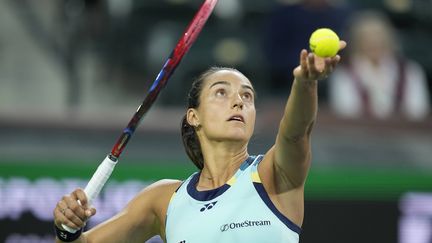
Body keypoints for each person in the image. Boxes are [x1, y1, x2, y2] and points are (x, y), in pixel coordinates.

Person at [53, 41, 346, 242]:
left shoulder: (272, 176)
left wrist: (305, 82)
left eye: (247, 96)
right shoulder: (163, 200)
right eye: (222, 92)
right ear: (194, 116)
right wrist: (67, 229)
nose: (238, 102)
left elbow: (296, 132)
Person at [328, 10, 430, 120]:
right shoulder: (344, 74)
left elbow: (418, 111)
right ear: (358, 42)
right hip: (359, 135)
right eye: (367, 38)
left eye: (378, 37)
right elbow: (346, 112)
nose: (374, 42)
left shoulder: (411, 71)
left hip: (404, 135)